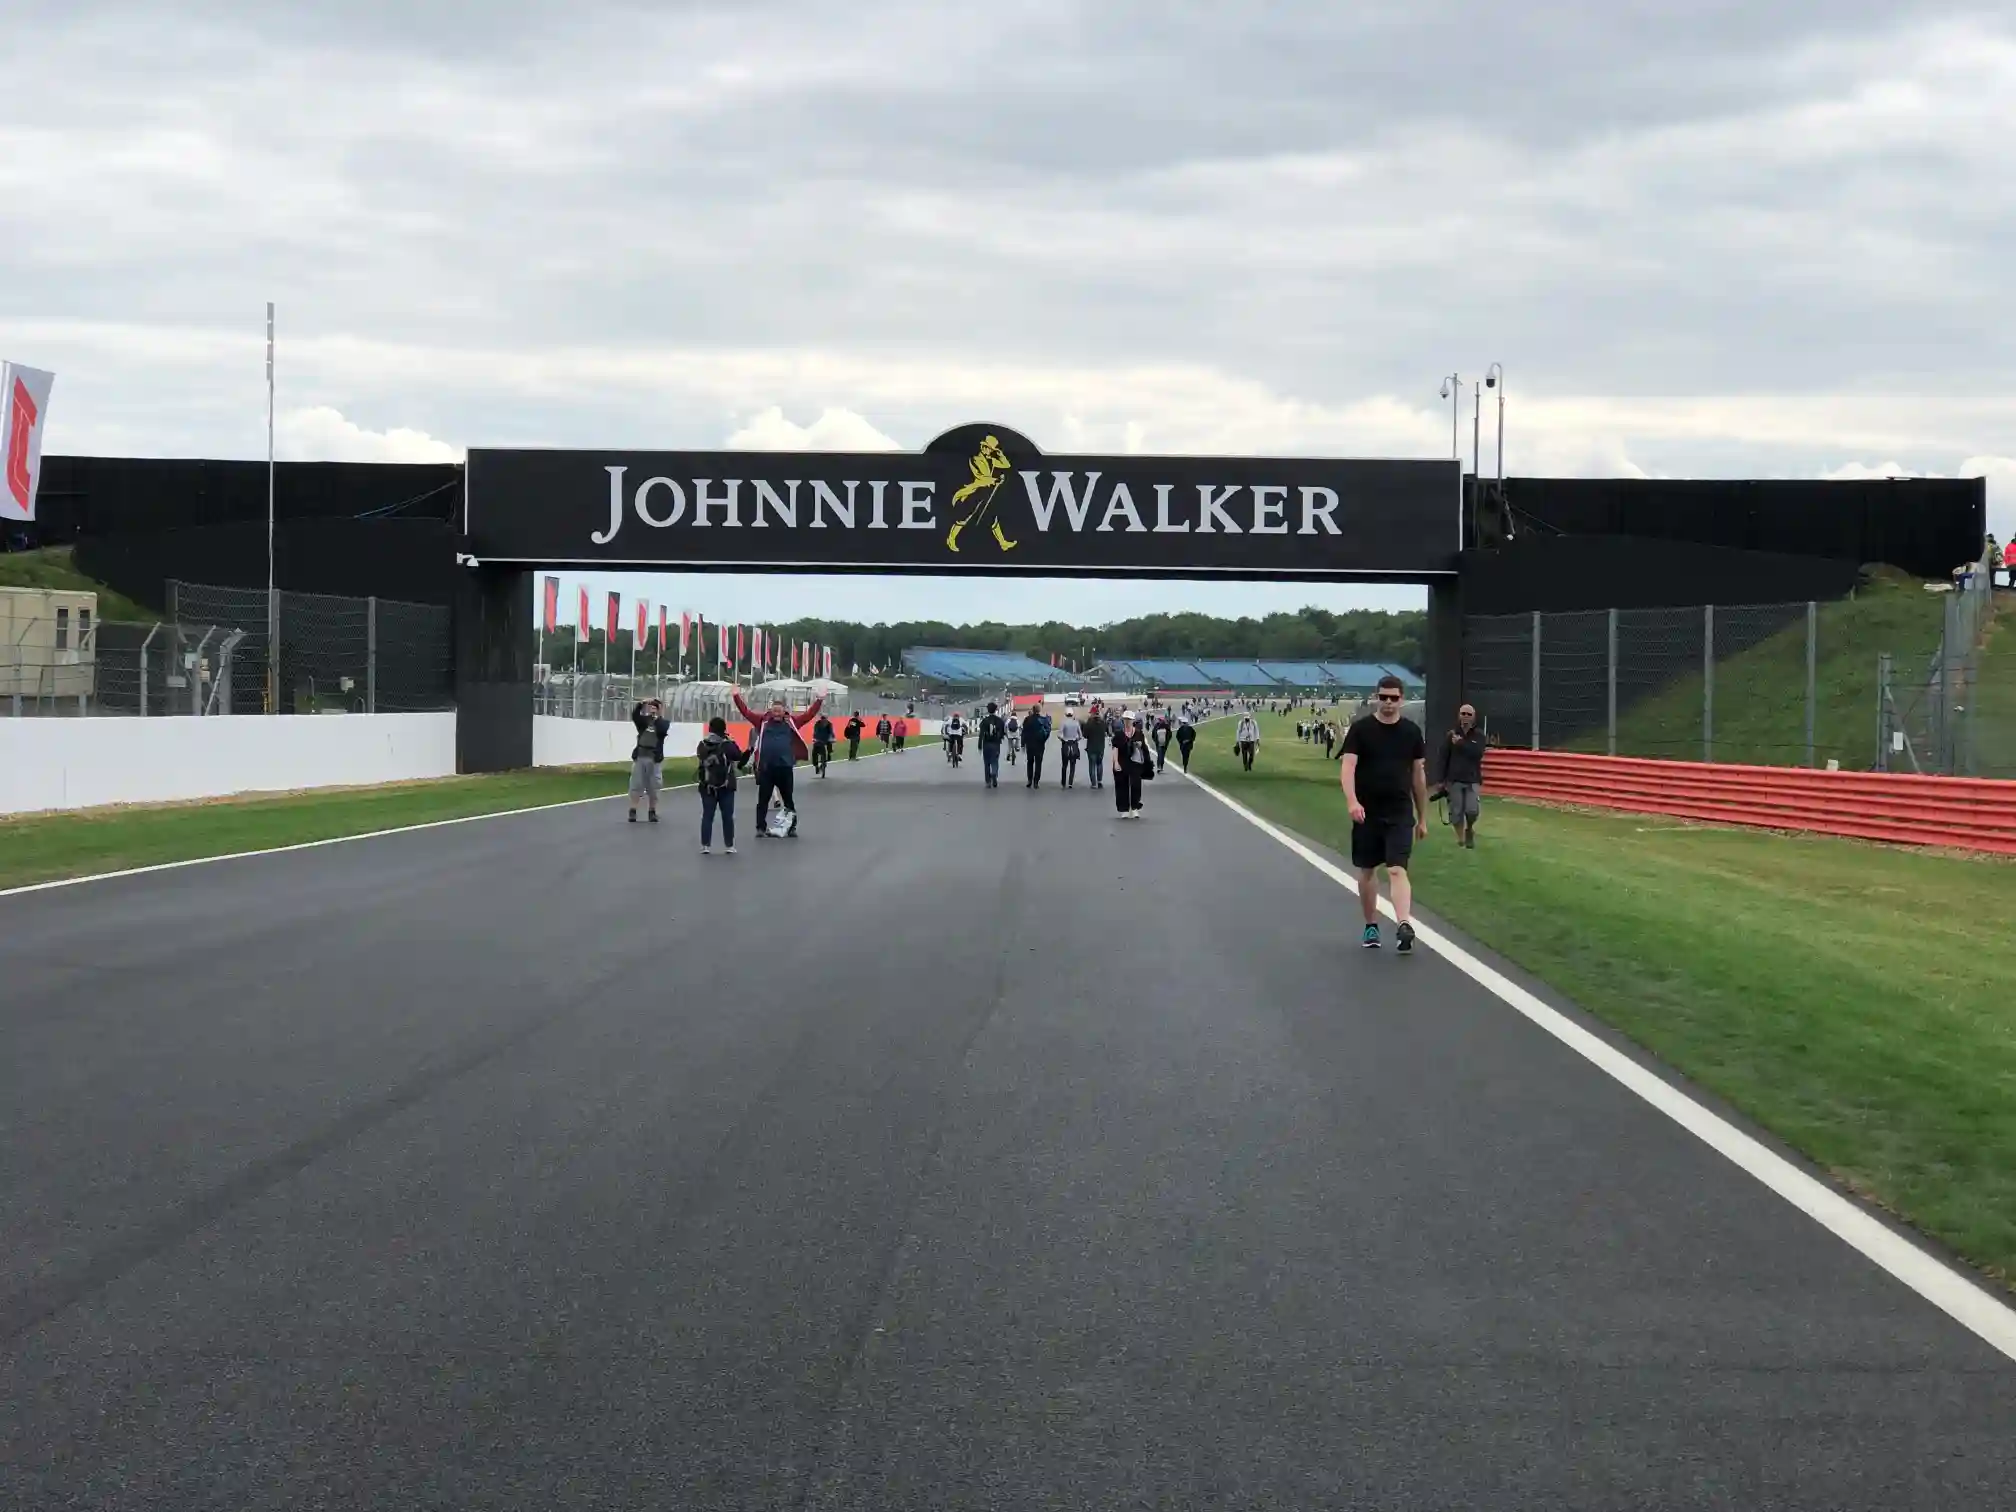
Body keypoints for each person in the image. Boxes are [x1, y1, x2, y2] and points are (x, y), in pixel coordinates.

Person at [1341, 674, 1429, 954]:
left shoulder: (1411, 732)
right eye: (1383, 697)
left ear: (1401, 700)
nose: (1388, 702)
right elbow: (1348, 767)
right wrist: (1352, 801)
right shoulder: (1361, 730)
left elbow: (1418, 776)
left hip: (1400, 811)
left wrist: (1422, 817)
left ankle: (1404, 923)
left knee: (1396, 868)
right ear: (1376, 697)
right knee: (1368, 870)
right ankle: (1371, 924)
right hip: (1367, 812)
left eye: (1393, 698)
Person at [732, 686, 825, 839]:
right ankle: (760, 828)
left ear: (784, 711)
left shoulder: (792, 722)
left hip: (785, 768)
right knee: (763, 800)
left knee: (788, 800)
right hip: (766, 768)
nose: (776, 714)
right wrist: (736, 696)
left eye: (779, 711)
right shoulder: (762, 721)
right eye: (774, 711)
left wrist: (819, 700)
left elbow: (809, 715)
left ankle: (791, 828)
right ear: (770, 711)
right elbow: (746, 712)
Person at [695, 715, 750, 855]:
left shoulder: (702, 744)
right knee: (727, 816)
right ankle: (729, 845)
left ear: (710, 729)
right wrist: (733, 742)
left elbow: (700, 758)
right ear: (724, 729)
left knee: (707, 815)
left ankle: (705, 845)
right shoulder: (728, 745)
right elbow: (739, 757)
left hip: (707, 785)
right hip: (727, 785)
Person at [1439, 702, 1486, 849]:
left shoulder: (1479, 735)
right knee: (1456, 811)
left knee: (1472, 810)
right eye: (1463, 713)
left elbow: (1478, 754)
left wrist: (1461, 744)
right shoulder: (1451, 735)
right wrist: (1441, 780)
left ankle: (1469, 828)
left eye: (1468, 714)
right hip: (1454, 779)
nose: (1465, 716)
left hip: (1472, 779)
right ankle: (1461, 839)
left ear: (1474, 717)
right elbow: (1443, 757)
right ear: (1458, 715)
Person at [627, 698, 670, 824]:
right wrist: (641, 703)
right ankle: (633, 810)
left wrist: (659, 714)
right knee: (636, 785)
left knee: (654, 786)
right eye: (650, 707)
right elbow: (635, 715)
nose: (652, 709)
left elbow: (663, 729)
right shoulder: (643, 721)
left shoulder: (662, 723)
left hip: (654, 758)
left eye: (655, 707)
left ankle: (652, 811)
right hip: (641, 756)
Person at [1111, 710, 1151, 819]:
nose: (1127, 722)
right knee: (1121, 785)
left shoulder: (1139, 734)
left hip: (1135, 762)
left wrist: (1146, 762)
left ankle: (1134, 808)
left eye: (1129, 720)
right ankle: (1124, 809)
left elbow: (1144, 749)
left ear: (1133, 721)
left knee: (1136, 785)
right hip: (1122, 761)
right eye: (1125, 720)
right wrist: (1116, 762)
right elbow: (1115, 748)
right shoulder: (1119, 734)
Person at [977, 701, 1007, 788]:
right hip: (996, 744)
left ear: (988, 710)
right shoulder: (1000, 721)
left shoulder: (984, 721)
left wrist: (979, 745)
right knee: (995, 761)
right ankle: (994, 774)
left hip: (986, 744)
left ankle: (988, 781)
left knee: (986, 763)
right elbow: (1003, 733)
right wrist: (1000, 737)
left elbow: (981, 734)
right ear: (996, 709)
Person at [1023, 704, 1052, 788]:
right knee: (1038, 763)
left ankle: (1029, 780)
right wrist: (1043, 740)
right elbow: (1048, 731)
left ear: (1033, 709)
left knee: (1030, 762)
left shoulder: (1027, 719)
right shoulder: (1043, 720)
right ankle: (1036, 781)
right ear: (1039, 710)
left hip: (1030, 744)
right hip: (1040, 744)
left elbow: (1024, 732)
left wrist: (1023, 743)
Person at [1082, 702, 1108, 789]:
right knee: (1099, 764)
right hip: (1101, 747)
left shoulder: (1089, 723)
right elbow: (1106, 733)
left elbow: (1085, 735)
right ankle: (1099, 781)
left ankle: (1093, 783)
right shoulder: (1103, 723)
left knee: (1092, 765)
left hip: (1091, 747)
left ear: (1093, 713)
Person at [1058, 708, 1082, 788]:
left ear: (1066, 714)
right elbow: (1080, 736)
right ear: (1072, 714)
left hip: (1066, 744)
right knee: (1073, 764)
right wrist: (1076, 739)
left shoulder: (1063, 723)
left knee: (1064, 765)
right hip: (1074, 744)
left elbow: (1059, 735)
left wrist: (1063, 739)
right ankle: (1070, 782)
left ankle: (1063, 782)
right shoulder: (1076, 723)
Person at [810, 710, 836, 778]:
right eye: (822, 718)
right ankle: (816, 765)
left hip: (826, 739)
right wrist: (814, 738)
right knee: (814, 752)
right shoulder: (817, 723)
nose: (823, 720)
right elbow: (815, 731)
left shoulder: (829, 724)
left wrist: (833, 738)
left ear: (826, 718)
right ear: (821, 718)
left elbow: (831, 732)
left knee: (829, 747)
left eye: (824, 718)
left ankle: (829, 755)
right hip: (818, 739)